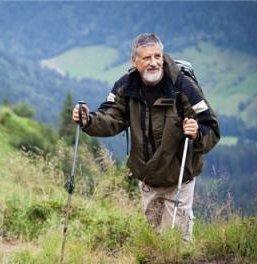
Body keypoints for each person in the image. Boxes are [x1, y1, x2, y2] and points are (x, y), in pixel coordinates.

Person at [72, 33, 220, 241]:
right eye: (147, 58)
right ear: (135, 61)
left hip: (178, 178)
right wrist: (88, 120)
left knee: (175, 243)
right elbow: (111, 117)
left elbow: (211, 128)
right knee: (154, 241)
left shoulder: (182, 86)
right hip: (148, 181)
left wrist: (196, 134)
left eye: (157, 57)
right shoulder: (127, 86)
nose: (154, 63)